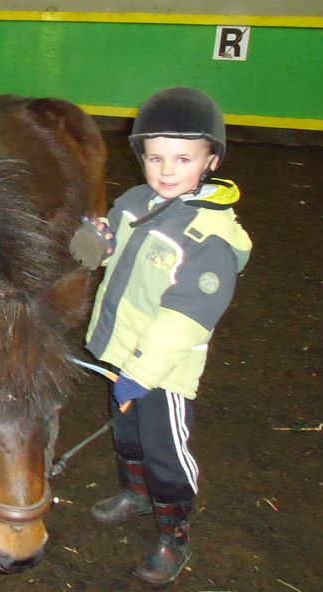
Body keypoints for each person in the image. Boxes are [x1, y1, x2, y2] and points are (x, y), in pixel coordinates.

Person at [71, 86, 252, 585]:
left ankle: (174, 535)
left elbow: (185, 319)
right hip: (121, 353)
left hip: (163, 373)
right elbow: (104, 249)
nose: (166, 170)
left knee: (165, 451)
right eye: (156, 158)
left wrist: (143, 373)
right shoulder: (135, 202)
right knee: (127, 433)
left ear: (211, 160)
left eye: (182, 158)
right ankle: (135, 494)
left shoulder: (210, 238)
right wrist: (93, 239)